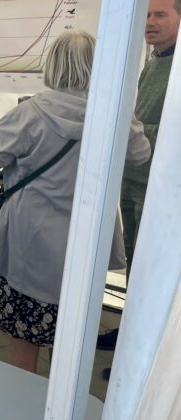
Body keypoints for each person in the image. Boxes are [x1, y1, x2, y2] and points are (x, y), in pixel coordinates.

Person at [0, 31, 151, 373]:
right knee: (72, 335)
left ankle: (25, 402)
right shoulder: (113, 113)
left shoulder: (28, 113)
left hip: (30, 238)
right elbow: (141, 155)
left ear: (52, 65)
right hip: (87, 236)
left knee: (24, 336)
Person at [97, 0, 180, 351]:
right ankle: (132, 332)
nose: (150, 22)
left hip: (160, 189)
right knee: (134, 257)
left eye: (160, 14)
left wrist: (129, 132)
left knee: (154, 264)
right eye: (146, 15)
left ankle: (148, 345)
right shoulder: (154, 61)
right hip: (133, 178)